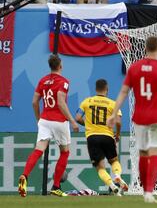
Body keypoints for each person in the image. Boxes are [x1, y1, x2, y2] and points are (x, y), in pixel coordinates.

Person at [107, 36, 157, 204]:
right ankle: (150, 192)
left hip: (140, 117)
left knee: (143, 152)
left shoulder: (134, 68)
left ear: (145, 48)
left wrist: (114, 113)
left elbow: (123, 92)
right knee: (155, 152)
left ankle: (144, 192)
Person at [18, 54, 79, 198]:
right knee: (64, 152)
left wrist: (38, 119)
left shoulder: (42, 80)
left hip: (45, 120)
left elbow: (34, 102)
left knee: (38, 150)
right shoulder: (64, 82)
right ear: (60, 66)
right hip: (59, 121)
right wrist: (72, 121)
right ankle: (56, 186)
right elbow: (60, 102)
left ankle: (24, 176)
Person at [75, 79, 128, 196]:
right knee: (114, 161)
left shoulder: (87, 101)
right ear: (107, 89)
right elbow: (118, 122)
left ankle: (112, 186)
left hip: (92, 137)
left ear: (96, 89)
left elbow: (77, 118)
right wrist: (117, 134)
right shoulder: (113, 104)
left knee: (100, 167)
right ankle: (117, 176)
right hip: (108, 136)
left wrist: (88, 125)